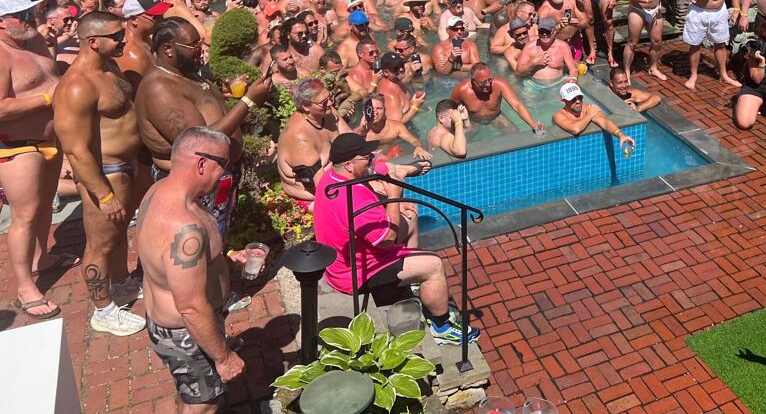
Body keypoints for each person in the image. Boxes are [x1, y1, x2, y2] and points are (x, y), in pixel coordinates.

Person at [312, 132, 477, 343]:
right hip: (355, 273)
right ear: (349, 165)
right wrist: (394, 196)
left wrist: (398, 191)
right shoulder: (351, 199)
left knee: (409, 216)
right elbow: (386, 239)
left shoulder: (333, 178)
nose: (372, 158)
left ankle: (416, 282)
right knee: (434, 264)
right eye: (366, 157)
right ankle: (442, 327)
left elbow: (369, 199)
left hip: (346, 258)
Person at [135, 127, 245, 412]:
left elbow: (166, 262)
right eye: (223, 164)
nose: (225, 173)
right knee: (204, 404)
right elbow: (192, 307)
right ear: (201, 163)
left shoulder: (157, 190)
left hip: (181, 324)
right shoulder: (185, 229)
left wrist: (224, 259)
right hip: (186, 332)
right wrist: (223, 358)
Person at [52, 11, 146, 335]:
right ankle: (103, 310)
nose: (124, 40)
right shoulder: (76, 87)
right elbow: (77, 151)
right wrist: (103, 195)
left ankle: (120, 284)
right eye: (117, 36)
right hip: (106, 173)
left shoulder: (109, 65)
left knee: (119, 235)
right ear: (92, 42)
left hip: (127, 165)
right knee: (100, 245)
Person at [135, 18, 273, 237]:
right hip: (193, 185)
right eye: (194, 46)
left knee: (218, 239)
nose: (202, 50)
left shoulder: (187, 73)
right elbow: (199, 141)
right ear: (168, 49)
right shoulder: (158, 87)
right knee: (199, 242)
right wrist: (248, 101)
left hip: (219, 177)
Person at [0, 0, 68, 321]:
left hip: (51, 137)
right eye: (22, 15)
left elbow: (49, 76)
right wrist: (45, 100)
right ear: (1, 23)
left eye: (31, 12)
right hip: (16, 144)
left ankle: (42, 256)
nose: (31, 20)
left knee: (44, 203)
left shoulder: (36, 40)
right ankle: (25, 287)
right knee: (24, 216)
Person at [452, 63, 543, 131]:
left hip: (495, 116)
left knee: (514, 133)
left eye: (489, 80)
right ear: (473, 81)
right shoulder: (461, 90)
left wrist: (533, 124)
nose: (488, 84)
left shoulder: (499, 84)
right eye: (483, 82)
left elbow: (517, 105)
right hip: (472, 119)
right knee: (461, 140)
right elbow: (450, 109)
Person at [551, 83, 636, 151]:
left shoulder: (588, 109)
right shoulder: (558, 115)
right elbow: (575, 129)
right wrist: (589, 115)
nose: (578, 101)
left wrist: (621, 135)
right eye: (573, 99)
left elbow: (605, 122)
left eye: (580, 97)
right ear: (563, 102)